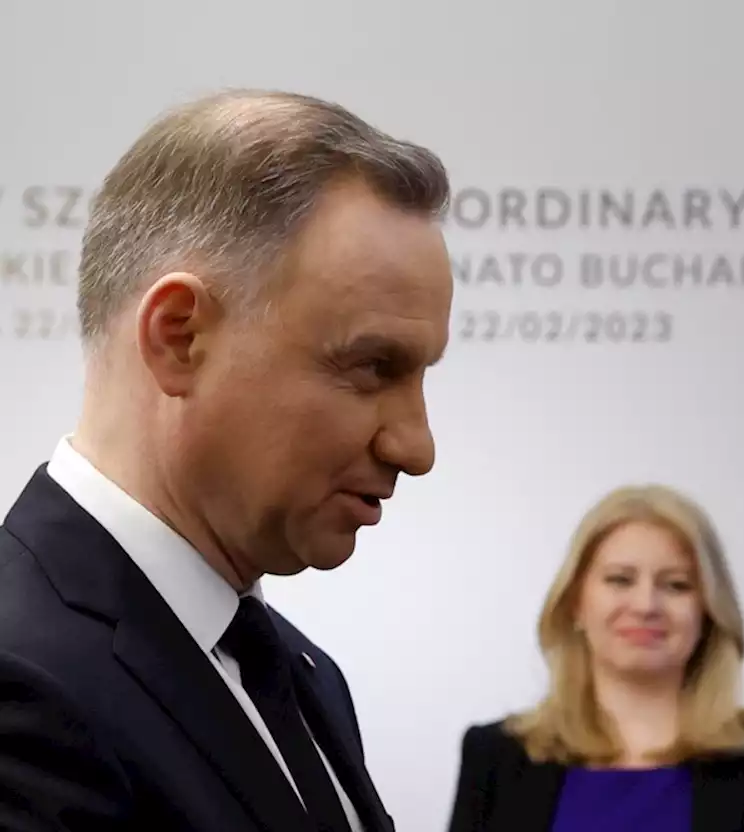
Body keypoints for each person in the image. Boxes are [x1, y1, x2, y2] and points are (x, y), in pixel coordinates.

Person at [0, 89, 453, 831]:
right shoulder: (22, 679)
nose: (416, 446)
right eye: (373, 367)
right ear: (179, 337)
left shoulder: (303, 675)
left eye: (422, 373)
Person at [446, 484, 744, 832]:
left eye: (676, 585)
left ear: (709, 611)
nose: (646, 605)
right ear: (576, 601)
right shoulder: (494, 756)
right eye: (620, 580)